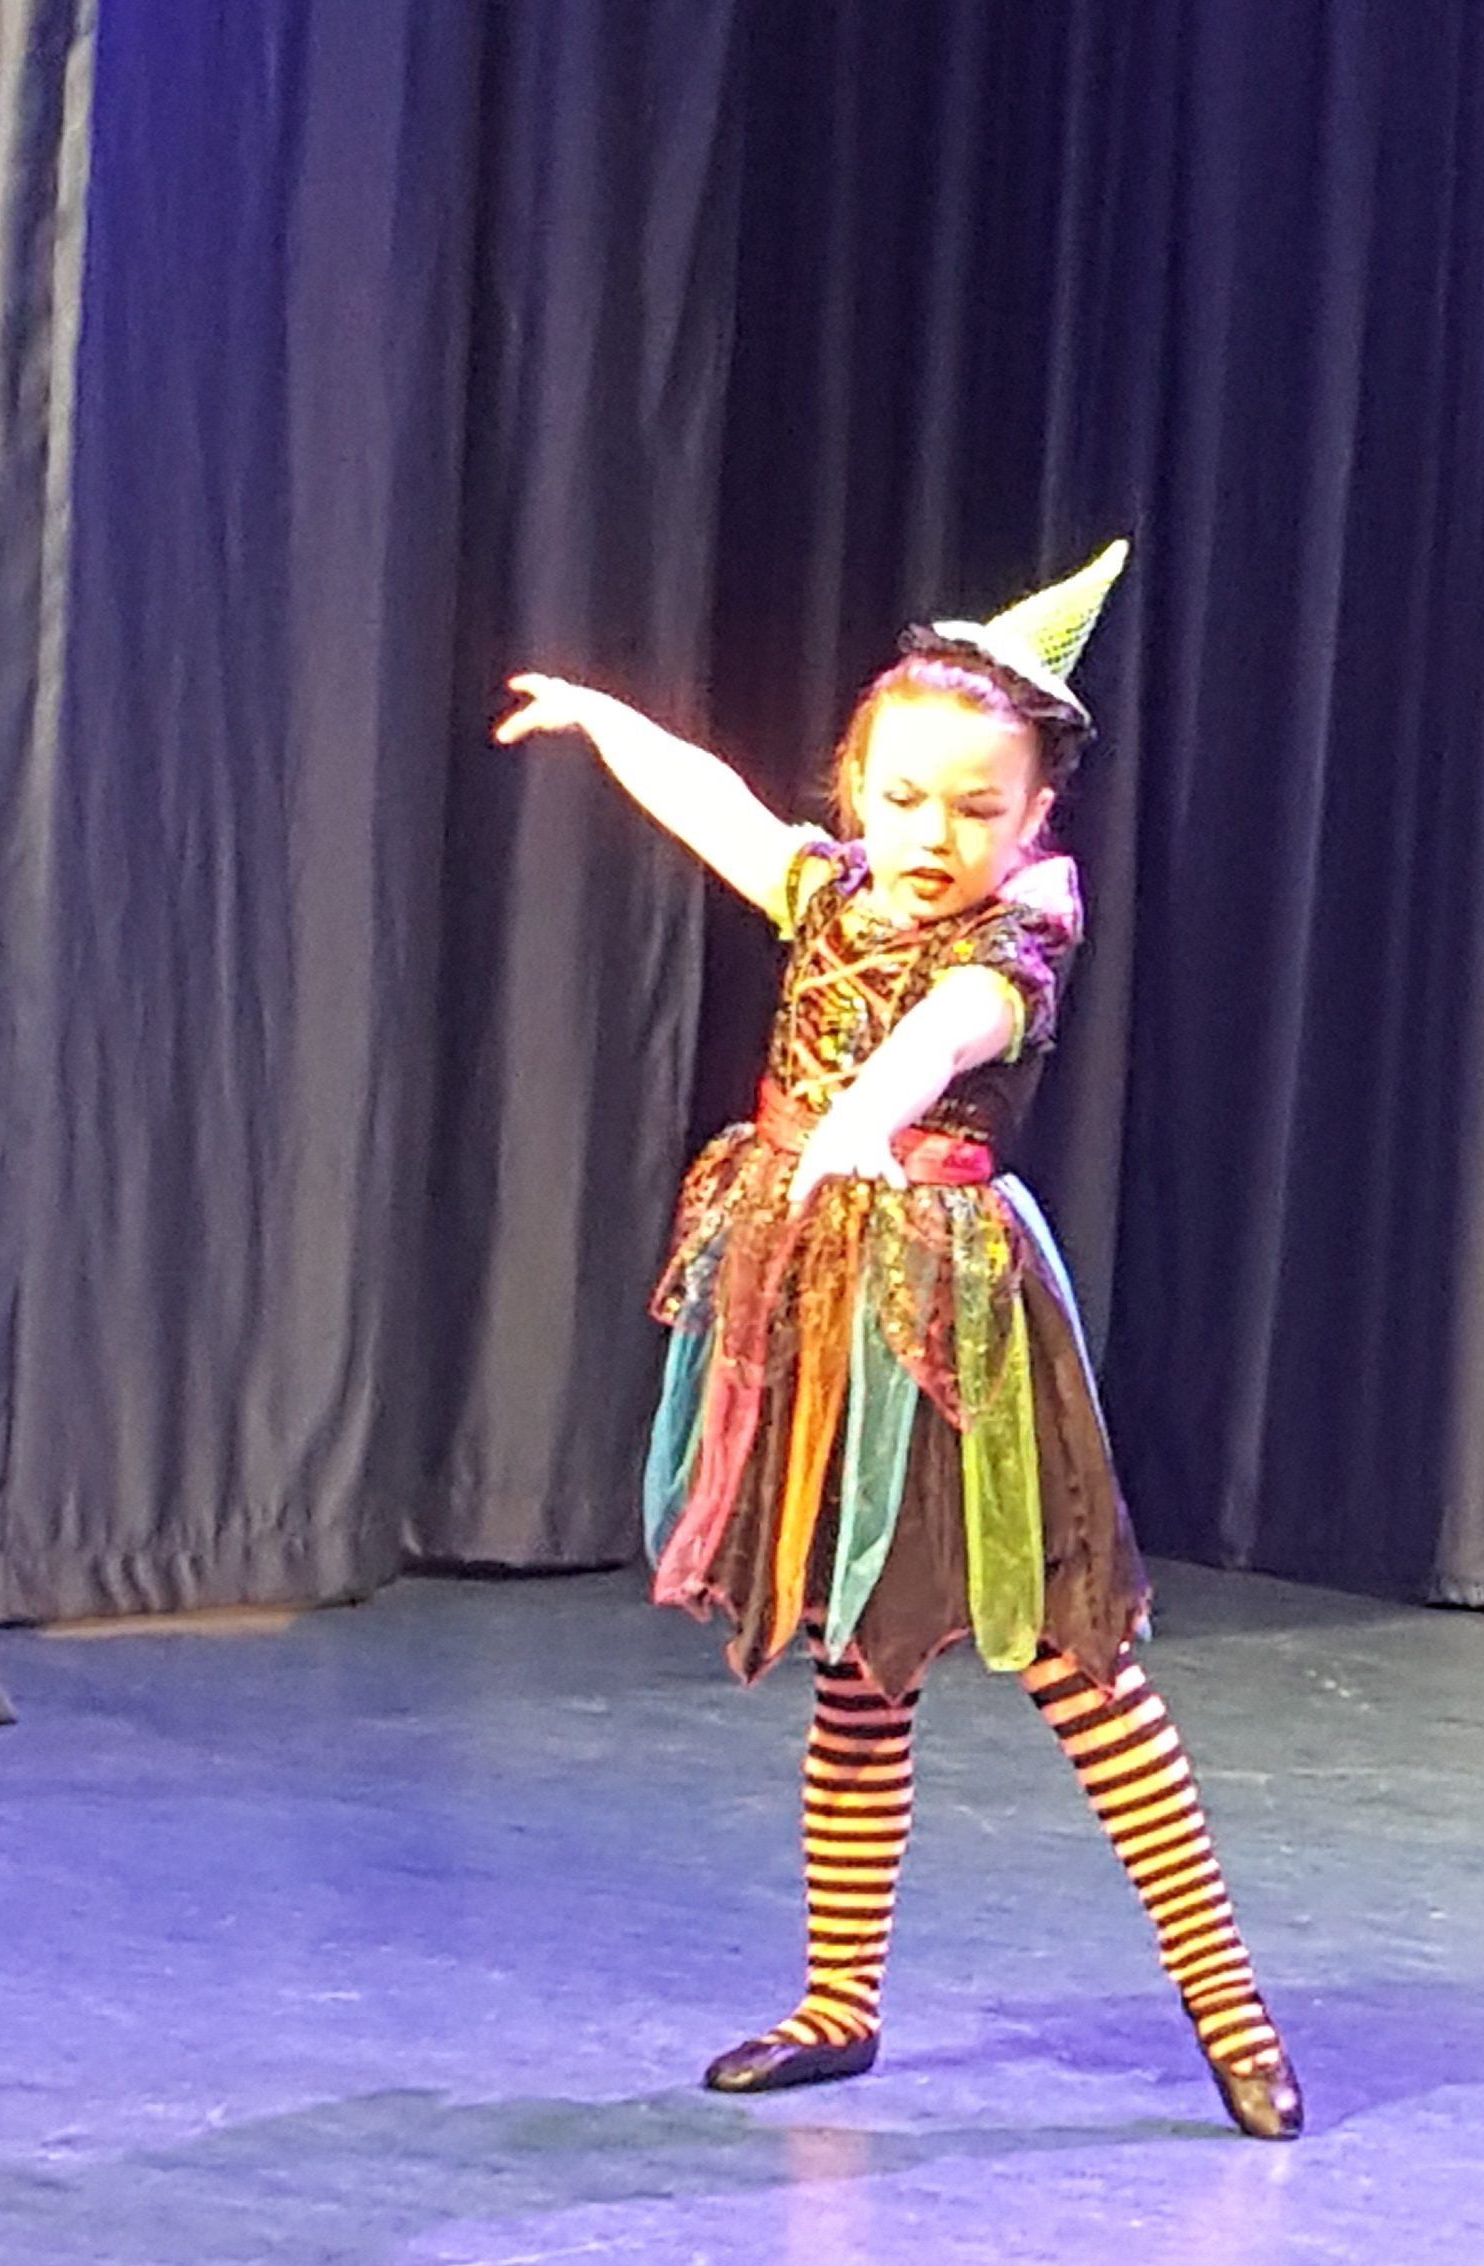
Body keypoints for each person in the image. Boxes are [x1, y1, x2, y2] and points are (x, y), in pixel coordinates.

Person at [493, 543, 1302, 2139]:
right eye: (905, 797)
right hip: (826, 1310)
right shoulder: (833, 893)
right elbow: (719, 807)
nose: (935, 836)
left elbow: (943, 1039)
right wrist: (602, 719)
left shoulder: (1016, 948)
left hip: (958, 1325)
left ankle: (1231, 2011)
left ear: (1036, 817)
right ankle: (838, 2003)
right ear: (857, 787)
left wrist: (861, 1124)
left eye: (978, 809)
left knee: (1079, 1665)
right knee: (857, 1657)